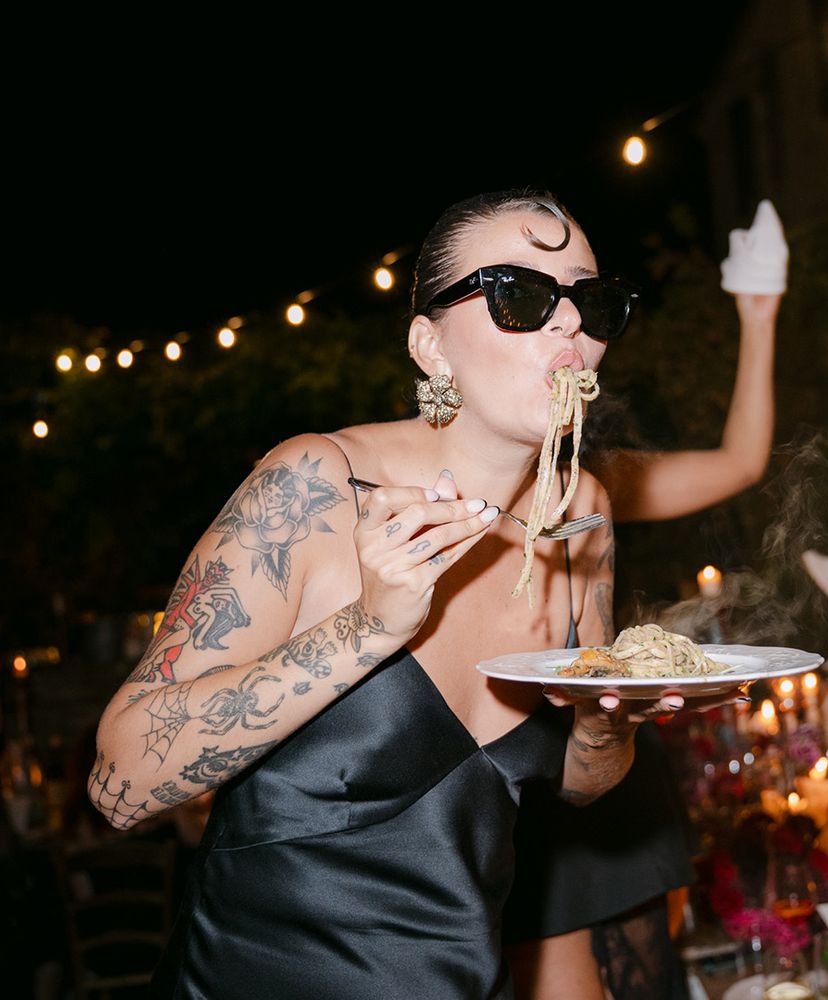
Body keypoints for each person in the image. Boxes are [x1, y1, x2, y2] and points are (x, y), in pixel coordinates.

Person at [89, 189, 692, 1000]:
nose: (567, 325)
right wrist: (367, 629)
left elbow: (580, 784)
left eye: (593, 302)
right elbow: (118, 781)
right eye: (520, 295)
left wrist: (602, 725)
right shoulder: (315, 487)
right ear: (429, 346)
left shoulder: (580, 514)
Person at [505, 288, 781, 1000]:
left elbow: (742, 462)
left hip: (609, 764)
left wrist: (758, 311)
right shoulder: (421, 497)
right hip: (500, 796)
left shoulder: (589, 482)